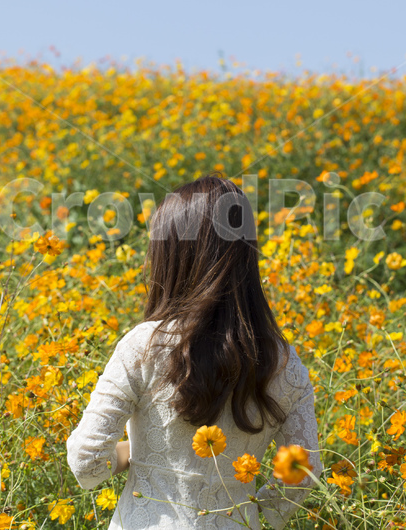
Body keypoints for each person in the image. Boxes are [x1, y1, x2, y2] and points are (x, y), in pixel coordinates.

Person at [66, 175, 322, 529]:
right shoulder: (284, 362)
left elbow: (85, 463)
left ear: (169, 254)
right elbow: (305, 472)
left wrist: (129, 456)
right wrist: (253, 516)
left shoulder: (144, 346)